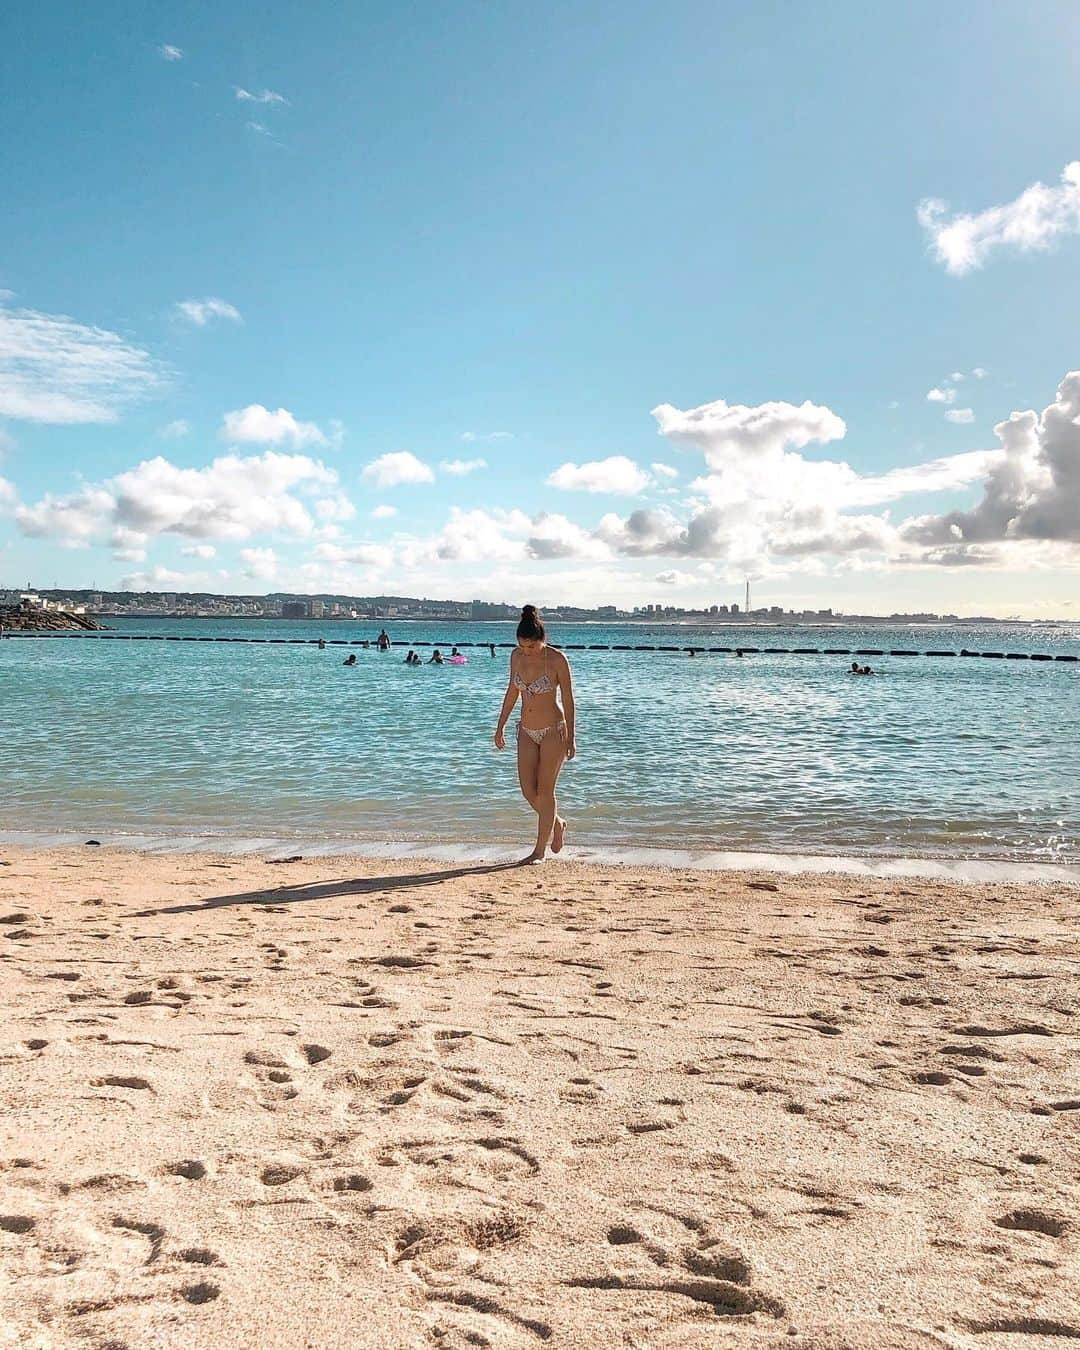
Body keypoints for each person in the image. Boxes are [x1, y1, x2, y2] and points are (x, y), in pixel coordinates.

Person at [493, 604, 576, 865]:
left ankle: (539, 851)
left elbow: (569, 700)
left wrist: (572, 737)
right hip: (526, 730)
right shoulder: (516, 657)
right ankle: (557, 823)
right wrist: (500, 725)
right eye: (522, 646)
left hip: (554, 730)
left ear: (542, 639)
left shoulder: (557, 659)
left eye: (531, 646)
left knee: (546, 790)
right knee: (528, 790)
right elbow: (511, 692)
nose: (526, 651)